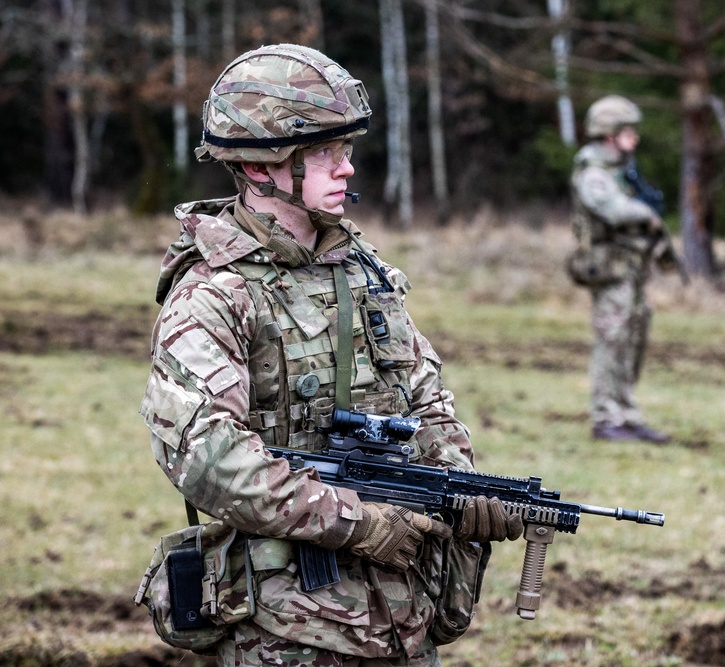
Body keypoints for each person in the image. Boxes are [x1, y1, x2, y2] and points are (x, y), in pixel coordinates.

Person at [139, 44, 521, 666]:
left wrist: (457, 490)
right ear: (263, 167)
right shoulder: (214, 294)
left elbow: (426, 401)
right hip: (285, 631)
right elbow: (208, 458)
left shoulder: (365, 276)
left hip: (401, 617)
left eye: (346, 150)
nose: (346, 169)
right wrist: (356, 522)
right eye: (324, 153)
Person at [567, 95, 671, 444]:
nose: (635, 137)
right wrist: (647, 216)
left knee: (633, 338)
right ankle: (605, 417)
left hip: (630, 268)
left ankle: (626, 414)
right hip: (610, 270)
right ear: (610, 133)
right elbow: (614, 211)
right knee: (612, 340)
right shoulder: (594, 173)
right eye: (629, 131)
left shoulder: (621, 170)